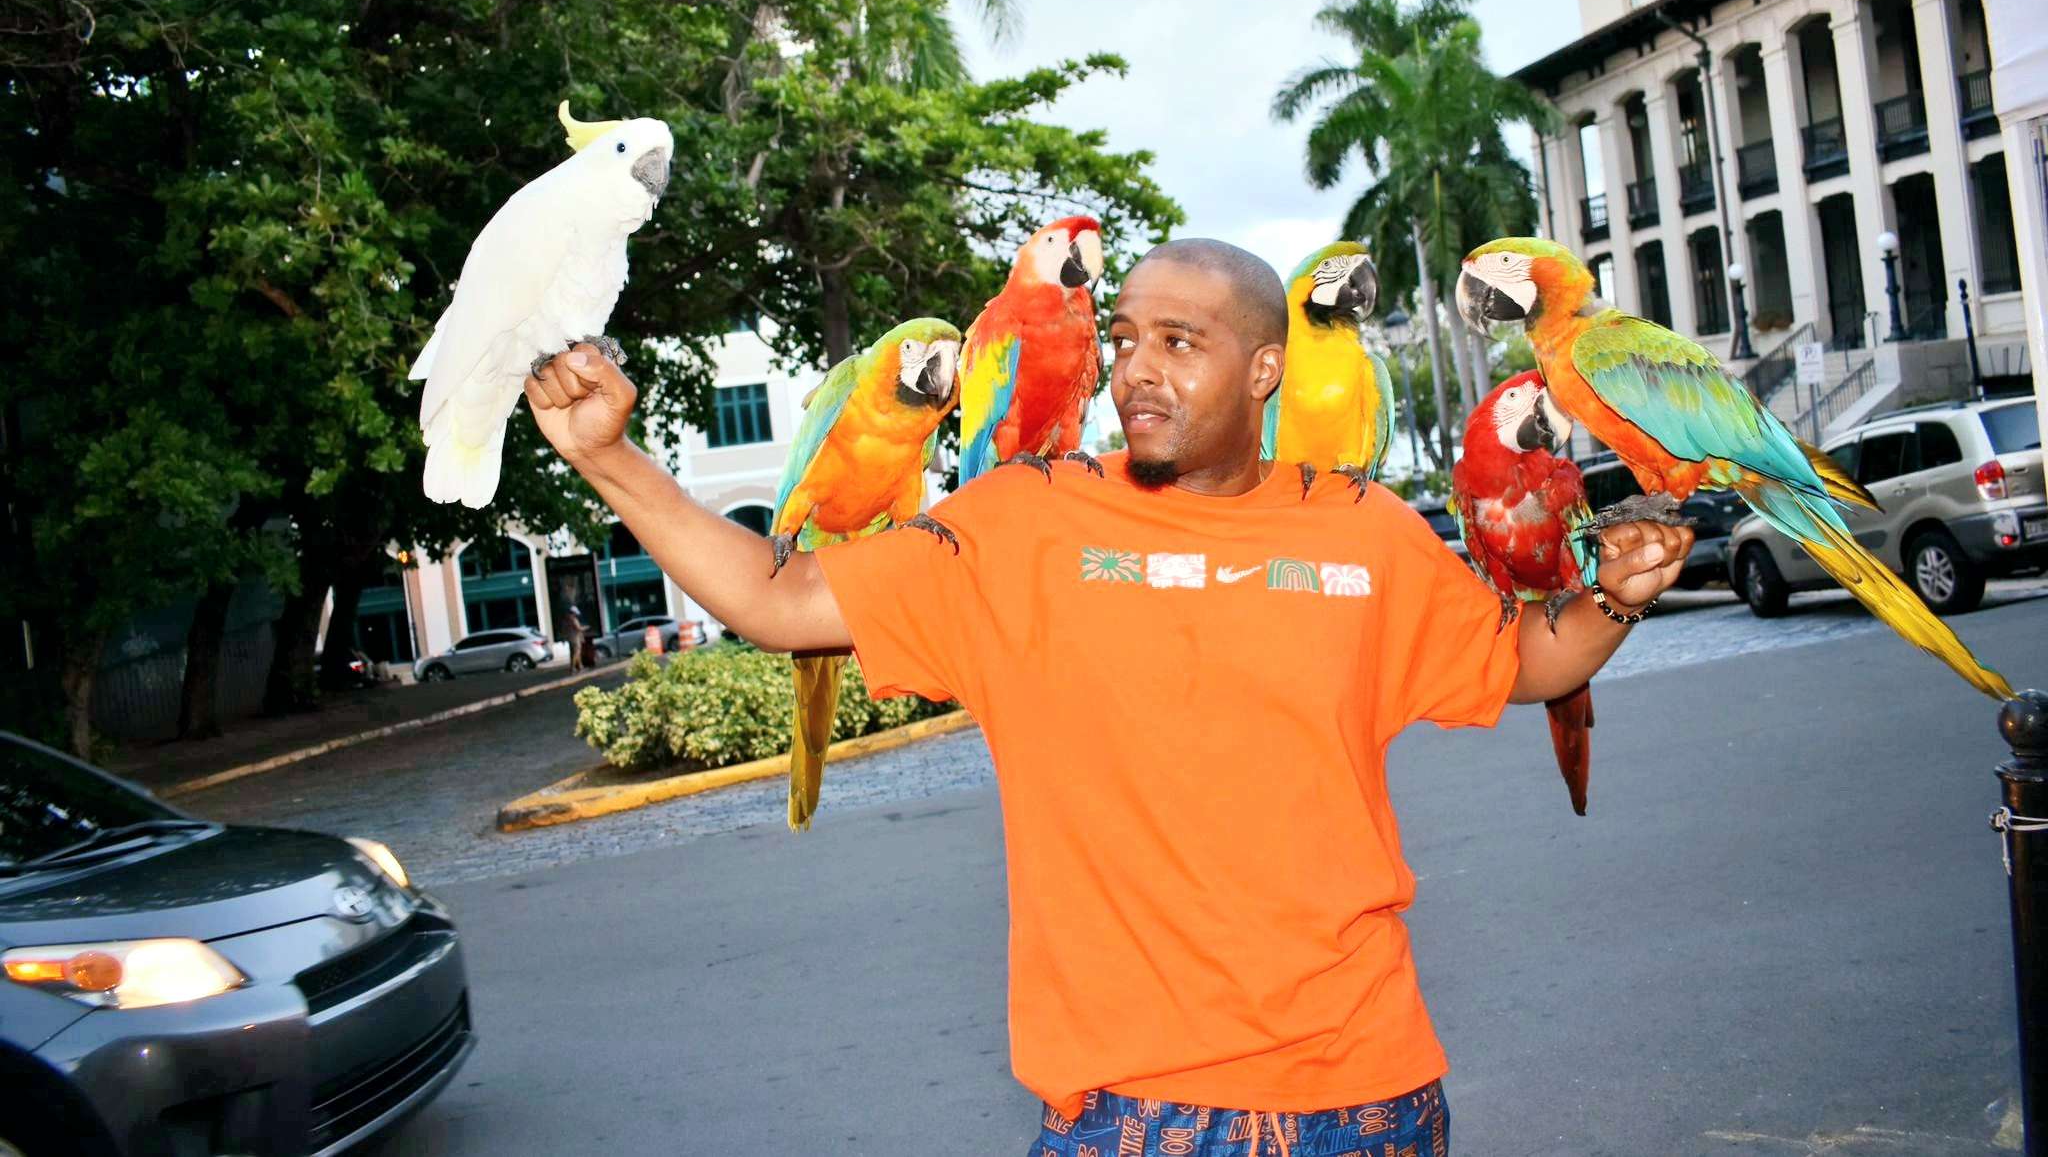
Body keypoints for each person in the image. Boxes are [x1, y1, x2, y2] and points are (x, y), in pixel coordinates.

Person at [523, 238, 1693, 1156]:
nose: (1134, 366)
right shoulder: (1023, 523)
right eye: (1126, 336)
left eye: (1179, 342)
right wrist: (606, 456)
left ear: (1264, 370)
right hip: (1132, 1112)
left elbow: (1521, 661)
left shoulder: (1363, 531)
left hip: (1367, 1096)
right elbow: (779, 597)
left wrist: (1614, 594)